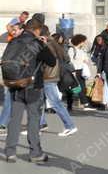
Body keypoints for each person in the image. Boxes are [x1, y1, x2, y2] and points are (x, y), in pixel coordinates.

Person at [2, 18, 56, 164]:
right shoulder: (37, 43)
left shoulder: (14, 40)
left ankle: (10, 152)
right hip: (33, 86)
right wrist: (44, 44)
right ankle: (35, 153)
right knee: (34, 119)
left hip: (15, 84)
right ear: (37, 30)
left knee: (15, 119)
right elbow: (52, 61)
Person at [39, 29, 76, 136]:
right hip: (50, 76)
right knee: (39, 102)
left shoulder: (48, 45)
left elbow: (47, 60)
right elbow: (66, 57)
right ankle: (40, 124)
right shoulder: (54, 44)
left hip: (48, 76)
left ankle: (70, 125)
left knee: (55, 102)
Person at [66, 34, 94, 112]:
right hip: (74, 71)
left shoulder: (82, 50)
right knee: (76, 88)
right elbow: (70, 61)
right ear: (80, 41)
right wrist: (72, 71)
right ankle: (83, 103)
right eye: (83, 41)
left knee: (81, 87)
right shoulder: (72, 50)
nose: (84, 43)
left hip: (81, 71)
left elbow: (86, 59)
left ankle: (81, 103)